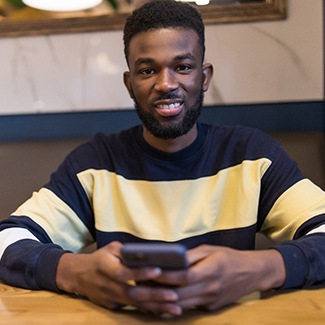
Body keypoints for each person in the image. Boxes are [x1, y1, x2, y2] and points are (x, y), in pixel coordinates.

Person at [1, 0, 325, 317]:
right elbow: (7, 240)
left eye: (183, 67)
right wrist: (74, 271)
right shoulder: (96, 163)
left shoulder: (252, 155)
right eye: (147, 70)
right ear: (130, 85)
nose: (166, 84)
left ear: (205, 77)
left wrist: (261, 269)